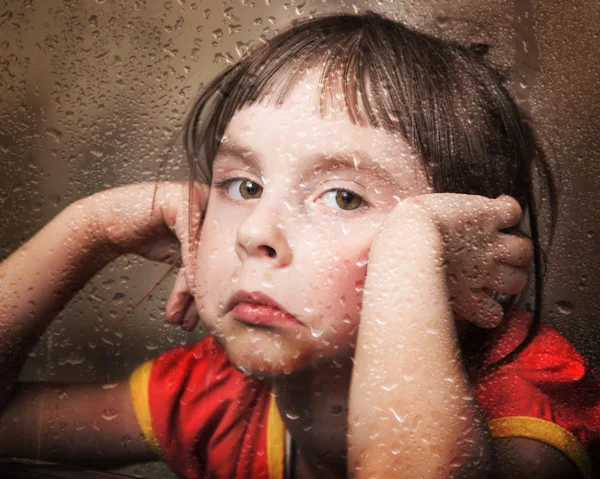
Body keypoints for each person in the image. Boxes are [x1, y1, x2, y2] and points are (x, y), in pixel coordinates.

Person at [0, 11, 598, 479]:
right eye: (243, 185)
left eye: (343, 197)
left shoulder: (522, 398)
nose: (255, 231)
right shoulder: (216, 392)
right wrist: (91, 228)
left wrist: (410, 252)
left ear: (468, 248)